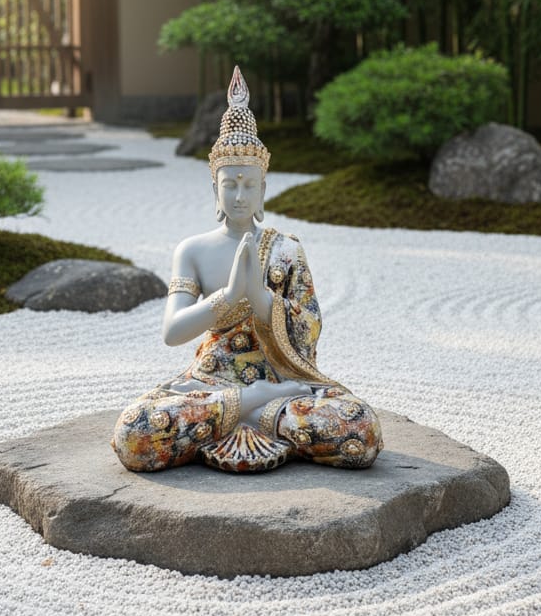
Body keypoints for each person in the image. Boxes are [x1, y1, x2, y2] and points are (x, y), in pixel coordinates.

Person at [111, 68, 383, 473]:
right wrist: (229, 296)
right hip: (210, 384)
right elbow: (172, 332)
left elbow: (308, 327)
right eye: (230, 184)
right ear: (214, 188)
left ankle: (230, 418)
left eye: (249, 185)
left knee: (361, 430)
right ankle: (248, 406)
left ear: (264, 189)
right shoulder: (193, 250)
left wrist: (258, 296)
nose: (240, 196)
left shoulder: (287, 250)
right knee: (133, 434)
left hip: (280, 385)